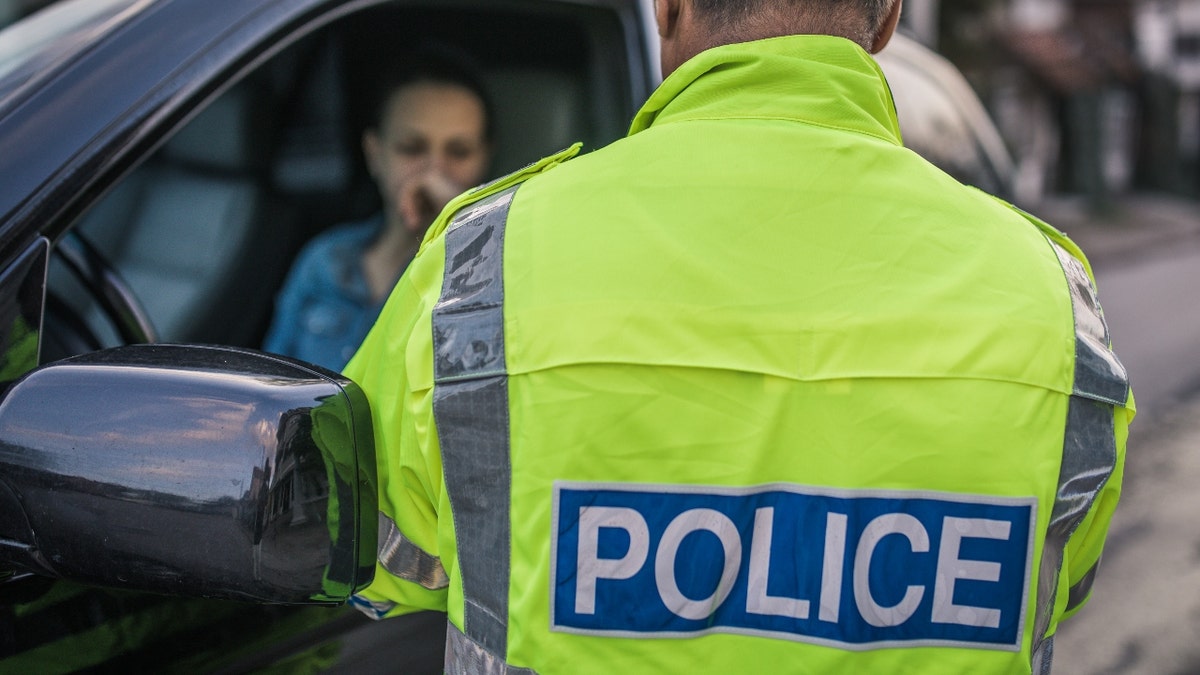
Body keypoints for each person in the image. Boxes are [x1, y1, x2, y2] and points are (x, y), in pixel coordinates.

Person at [344, 1, 1134, 672]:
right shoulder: (1052, 301)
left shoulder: (485, 267)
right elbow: (1059, 576)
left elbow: (366, 549)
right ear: (889, 15)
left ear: (668, 6)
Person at [262, 45, 493, 371]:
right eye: (411, 148)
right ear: (374, 154)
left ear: (484, 160)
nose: (433, 172)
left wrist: (456, 226)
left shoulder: (492, 273)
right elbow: (268, 379)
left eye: (459, 152)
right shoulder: (324, 259)